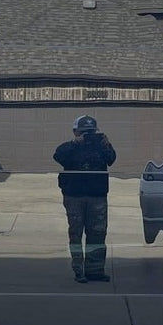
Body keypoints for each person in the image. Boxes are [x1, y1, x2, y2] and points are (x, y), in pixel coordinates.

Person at [52, 114, 117, 283]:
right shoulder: (70, 147)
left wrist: (106, 144)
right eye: (83, 132)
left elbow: (111, 159)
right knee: (76, 233)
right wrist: (75, 144)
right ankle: (78, 270)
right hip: (74, 196)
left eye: (91, 132)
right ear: (75, 132)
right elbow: (58, 156)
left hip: (97, 196)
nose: (87, 136)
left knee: (97, 233)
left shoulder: (101, 146)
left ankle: (95, 271)